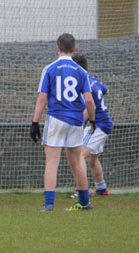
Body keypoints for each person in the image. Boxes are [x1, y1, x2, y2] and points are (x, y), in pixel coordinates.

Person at [30, 33, 96, 212]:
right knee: (76, 162)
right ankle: (84, 202)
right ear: (74, 49)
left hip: (56, 118)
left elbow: (42, 97)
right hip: (75, 120)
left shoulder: (50, 68)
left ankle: (49, 204)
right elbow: (89, 101)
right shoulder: (81, 71)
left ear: (57, 47)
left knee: (52, 162)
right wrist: (92, 119)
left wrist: (35, 122)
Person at [72, 54, 112, 196]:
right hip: (103, 123)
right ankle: (101, 189)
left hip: (99, 125)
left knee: (78, 156)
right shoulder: (93, 80)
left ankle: (81, 191)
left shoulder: (83, 84)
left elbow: (90, 109)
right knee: (91, 158)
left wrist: (75, 124)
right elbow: (106, 90)